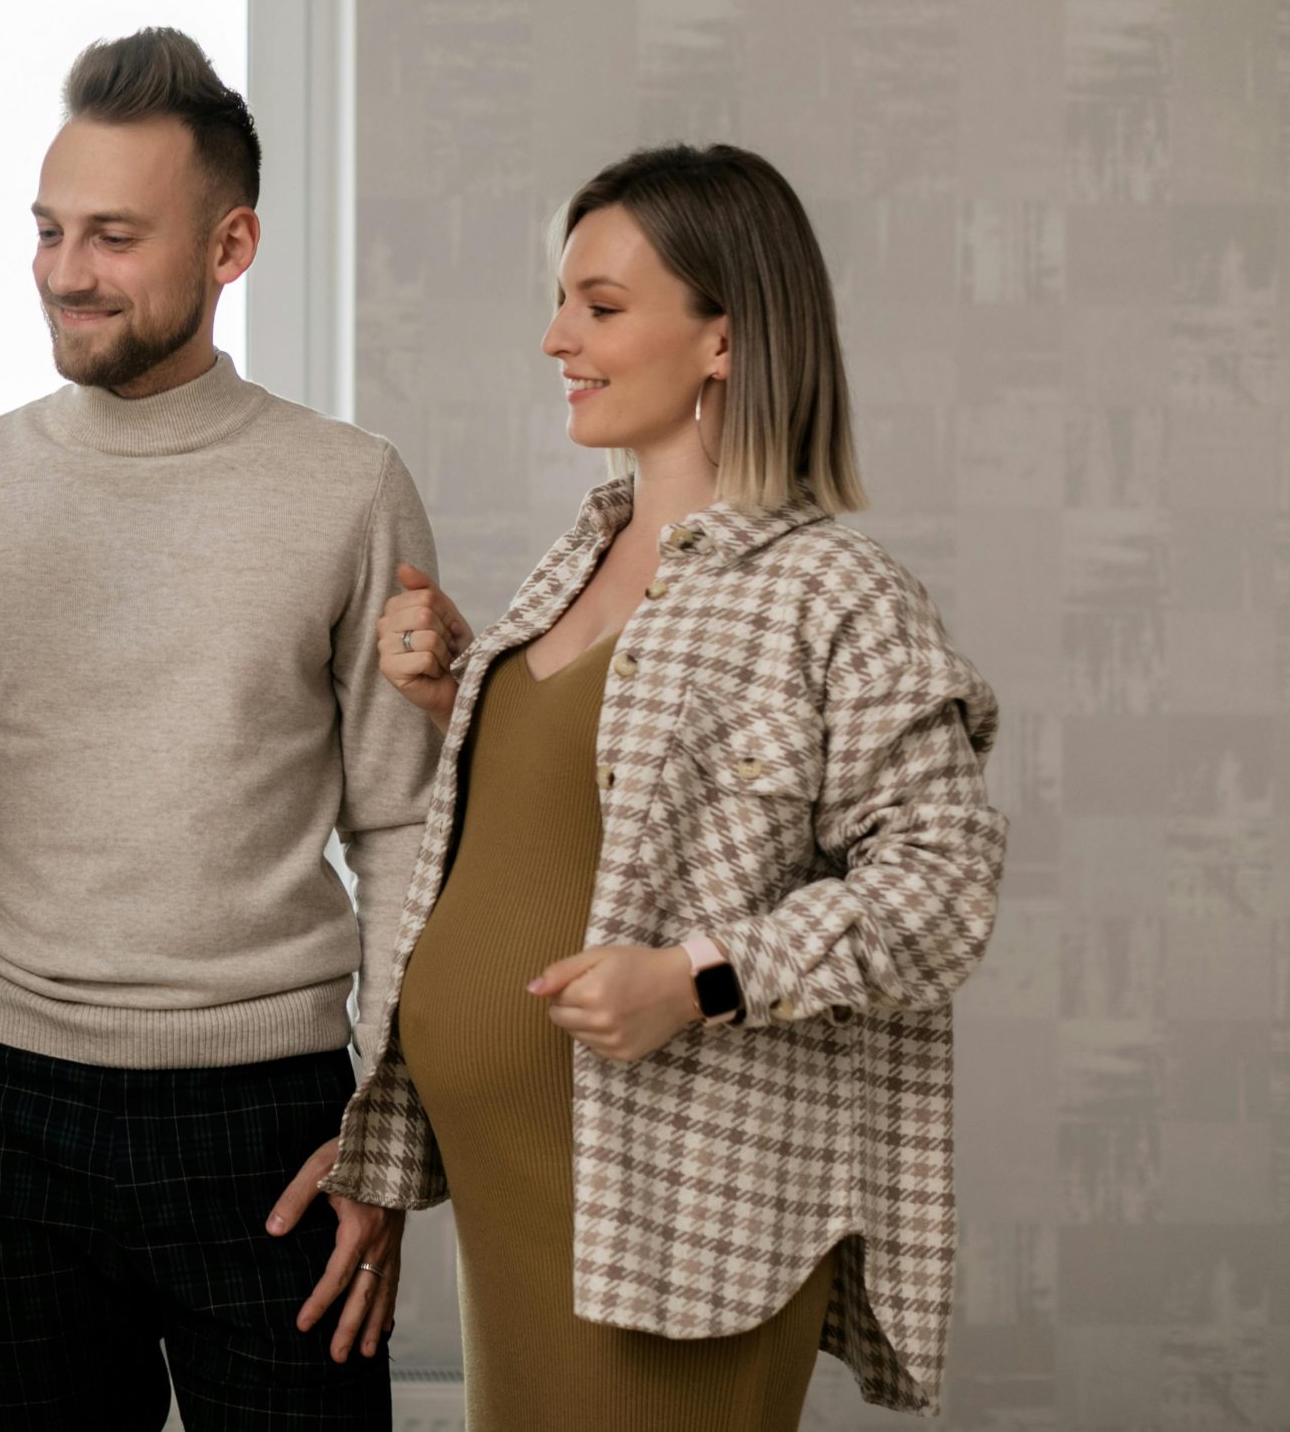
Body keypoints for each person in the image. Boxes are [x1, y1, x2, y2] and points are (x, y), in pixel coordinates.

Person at [0, 28, 469, 1430]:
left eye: (114, 235)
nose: (68, 270)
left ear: (230, 243)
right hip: (5, 1107)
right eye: (51, 230)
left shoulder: (347, 487)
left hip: (271, 1117)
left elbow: (403, 821)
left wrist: (391, 1121)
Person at [330, 144, 1007, 1427]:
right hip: (523, 1191)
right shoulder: (578, 557)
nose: (554, 338)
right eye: (561, 302)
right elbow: (609, 813)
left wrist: (698, 979)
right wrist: (462, 694)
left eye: (599, 305)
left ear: (721, 341)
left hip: (676, 1217)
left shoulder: (833, 592)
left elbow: (942, 893)